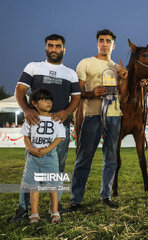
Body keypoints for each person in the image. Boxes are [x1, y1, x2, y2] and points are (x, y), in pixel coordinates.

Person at [9, 34, 80, 222]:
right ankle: (23, 209)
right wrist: (26, 109)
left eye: (58, 46)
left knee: (58, 167)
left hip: (59, 125)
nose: (54, 49)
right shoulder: (33, 67)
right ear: (45, 48)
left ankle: (54, 208)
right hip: (35, 126)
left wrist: (65, 113)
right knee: (30, 170)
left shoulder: (70, 73)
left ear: (64, 49)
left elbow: (77, 98)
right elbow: (20, 90)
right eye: (50, 46)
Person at [69, 29, 128, 211]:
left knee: (111, 159)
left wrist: (124, 79)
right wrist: (91, 93)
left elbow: (124, 96)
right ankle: (76, 199)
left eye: (108, 41)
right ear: (97, 43)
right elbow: (76, 92)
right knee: (84, 158)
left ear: (113, 45)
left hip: (114, 117)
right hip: (93, 115)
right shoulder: (86, 63)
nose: (104, 44)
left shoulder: (118, 68)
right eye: (101, 40)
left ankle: (106, 195)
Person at [19, 88, 65, 224]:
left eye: (49, 99)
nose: (48, 102)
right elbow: (26, 136)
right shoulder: (31, 118)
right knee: (34, 186)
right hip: (33, 157)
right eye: (44, 100)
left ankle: (55, 212)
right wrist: (30, 149)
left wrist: (47, 149)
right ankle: (34, 214)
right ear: (34, 103)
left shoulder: (56, 118)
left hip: (50, 156)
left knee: (53, 185)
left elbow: (59, 137)